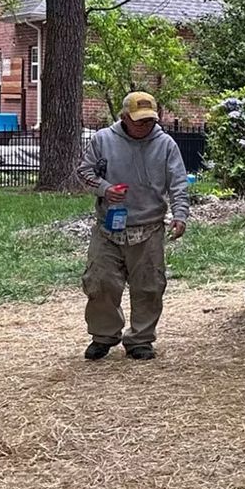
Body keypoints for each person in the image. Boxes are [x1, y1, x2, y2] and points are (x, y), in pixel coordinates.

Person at [76, 90, 190, 360]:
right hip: (108, 227)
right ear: (124, 117)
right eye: (139, 120)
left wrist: (180, 214)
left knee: (149, 286)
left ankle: (140, 339)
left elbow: (178, 183)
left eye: (149, 120)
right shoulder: (103, 140)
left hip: (149, 227)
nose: (144, 126)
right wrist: (104, 189)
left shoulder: (166, 144)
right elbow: (84, 171)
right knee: (100, 282)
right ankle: (103, 336)